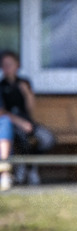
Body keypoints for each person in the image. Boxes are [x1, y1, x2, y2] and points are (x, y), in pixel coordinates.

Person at [0, 49, 55, 186]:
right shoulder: (1, 86)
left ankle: (30, 166)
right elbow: (1, 112)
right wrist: (20, 122)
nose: (7, 68)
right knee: (22, 138)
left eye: (10, 64)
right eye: (4, 65)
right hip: (12, 124)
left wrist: (27, 93)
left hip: (28, 122)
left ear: (17, 65)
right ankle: (22, 170)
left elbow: (30, 109)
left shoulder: (24, 83)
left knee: (47, 139)